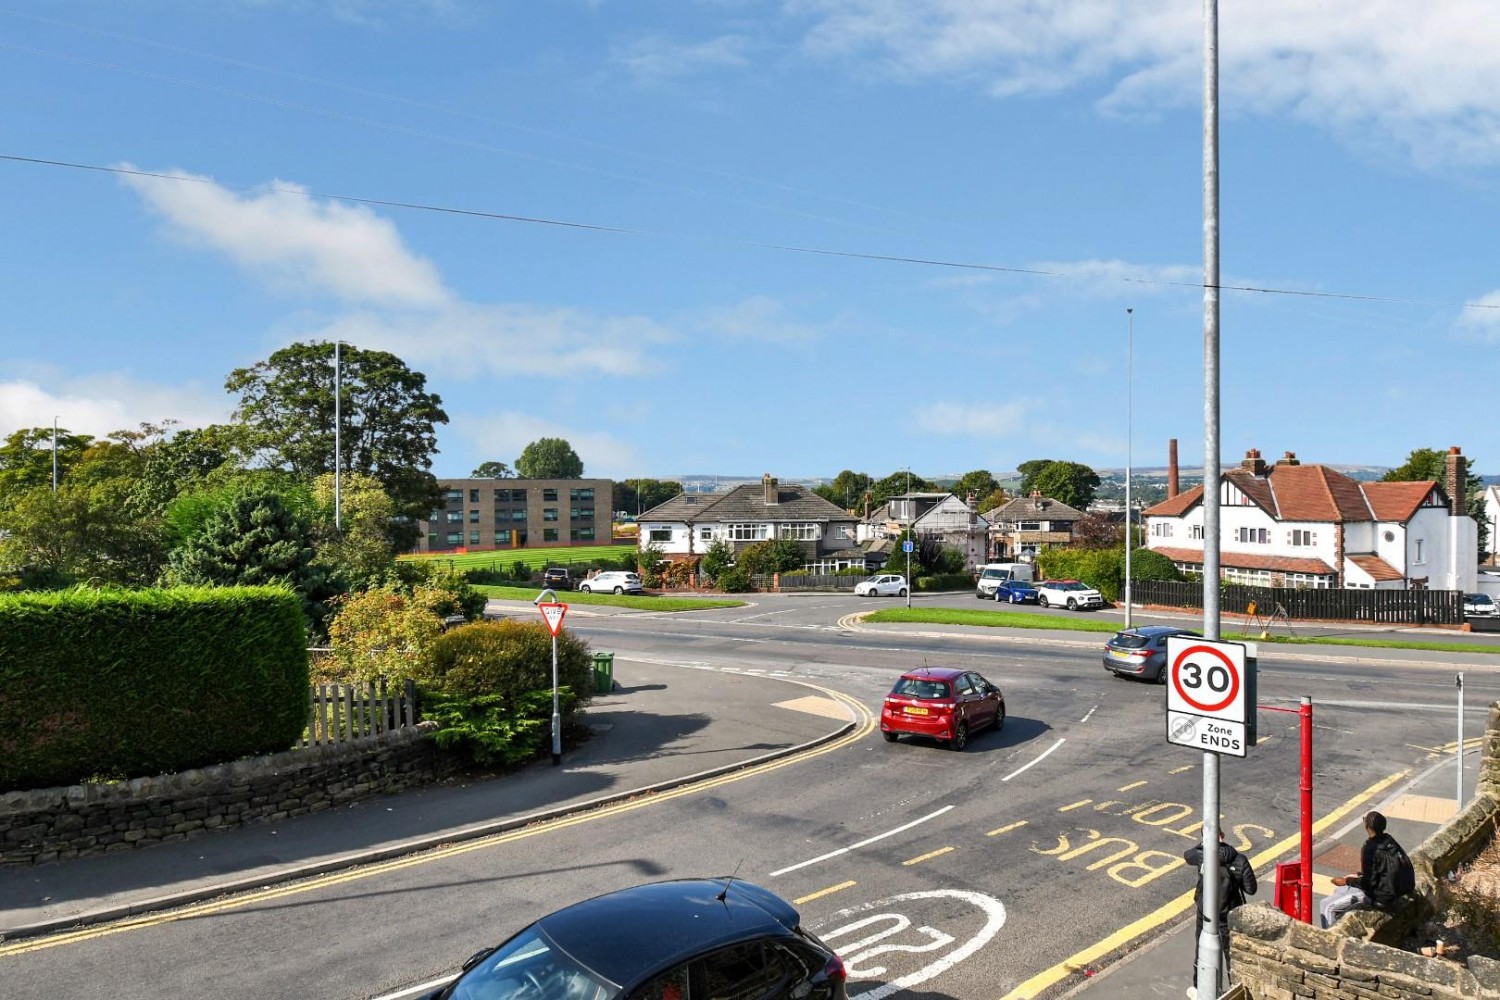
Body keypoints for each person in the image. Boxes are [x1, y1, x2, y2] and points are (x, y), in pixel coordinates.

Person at [1184, 829, 1257, 996]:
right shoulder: (1239, 859)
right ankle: (1234, 989)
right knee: (1231, 953)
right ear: (1223, 836)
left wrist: (1204, 845)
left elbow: (1187, 855)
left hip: (1205, 914)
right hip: (1229, 915)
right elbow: (1251, 889)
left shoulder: (1202, 855)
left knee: (1201, 949)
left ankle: (1199, 988)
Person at [1320, 810, 1413, 929]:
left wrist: (1347, 881)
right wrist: (1359, 876)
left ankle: (1329, 940)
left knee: (1327, 905)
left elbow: (1368, 884)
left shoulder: (1370, 849)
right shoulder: (1389, 840)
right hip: (1393, 889)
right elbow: (1382, 869)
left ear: (1367, 827)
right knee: (1339, 892)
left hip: (1380, 897)